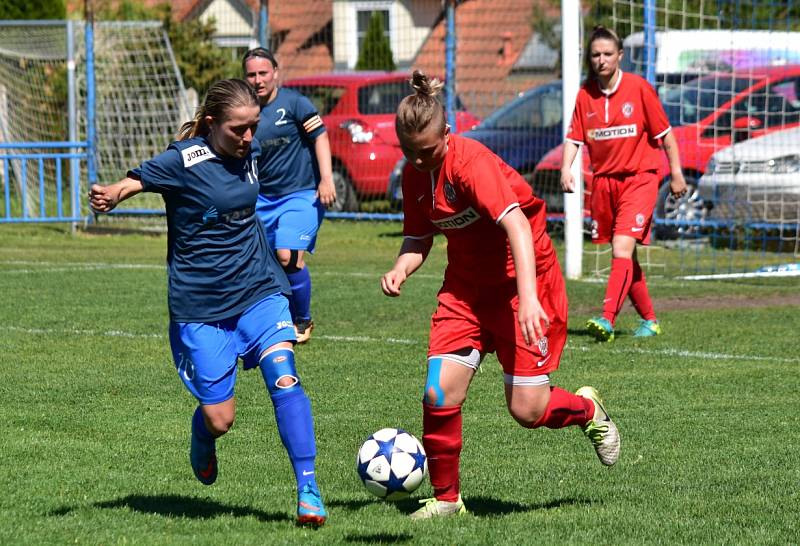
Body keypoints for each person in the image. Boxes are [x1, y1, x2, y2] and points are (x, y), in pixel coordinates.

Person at [381, 71, 620, 520]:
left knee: (527, 410)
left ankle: (589, 411)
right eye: (409, 152)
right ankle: (447, 500)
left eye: (427, 150)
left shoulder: (471, 164)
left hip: (522, 283)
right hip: (465, 290)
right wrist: (400, 268)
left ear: (447, 135)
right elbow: (418, 239)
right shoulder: (417, 176)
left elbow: (516, 227)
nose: (418, 160)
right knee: (438, 393)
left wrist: (529, 298)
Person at [88, 79, 327, 527]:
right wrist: (114, 193)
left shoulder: (250, 152)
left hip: (258, 288)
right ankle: (203, 436)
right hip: (200, 304)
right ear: (214, 124)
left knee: (285, 378)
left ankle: (308, 488)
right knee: (221, 419)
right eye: (239, 129)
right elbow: (136, 180)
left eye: (253, 127)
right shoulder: (185, 160)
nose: (249, 138)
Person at [560, 25, 688, 342]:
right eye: (595, 55)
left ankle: (607, 319)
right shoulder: (585, 95)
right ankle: (650, 320)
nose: (601, 60)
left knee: (621, 246)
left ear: (620, 55)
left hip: (640, 179)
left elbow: (666, 135)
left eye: (607, 54)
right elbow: (574, 139)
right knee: (625, 256)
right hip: (604, 184)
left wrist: (676, 173)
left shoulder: (639, 89)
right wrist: (566, 168)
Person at [243, 48, 336, 344]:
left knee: (287, 254)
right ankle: (268, 318)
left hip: (301, 195)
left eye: (263, 73)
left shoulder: (295, 104)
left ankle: (302, 320)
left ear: (275, 73)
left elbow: (319, 136)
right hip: (262, 200)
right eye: (251, 74)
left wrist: (326, 179)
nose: (258, 80)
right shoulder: (244, 112)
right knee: (263, 262)